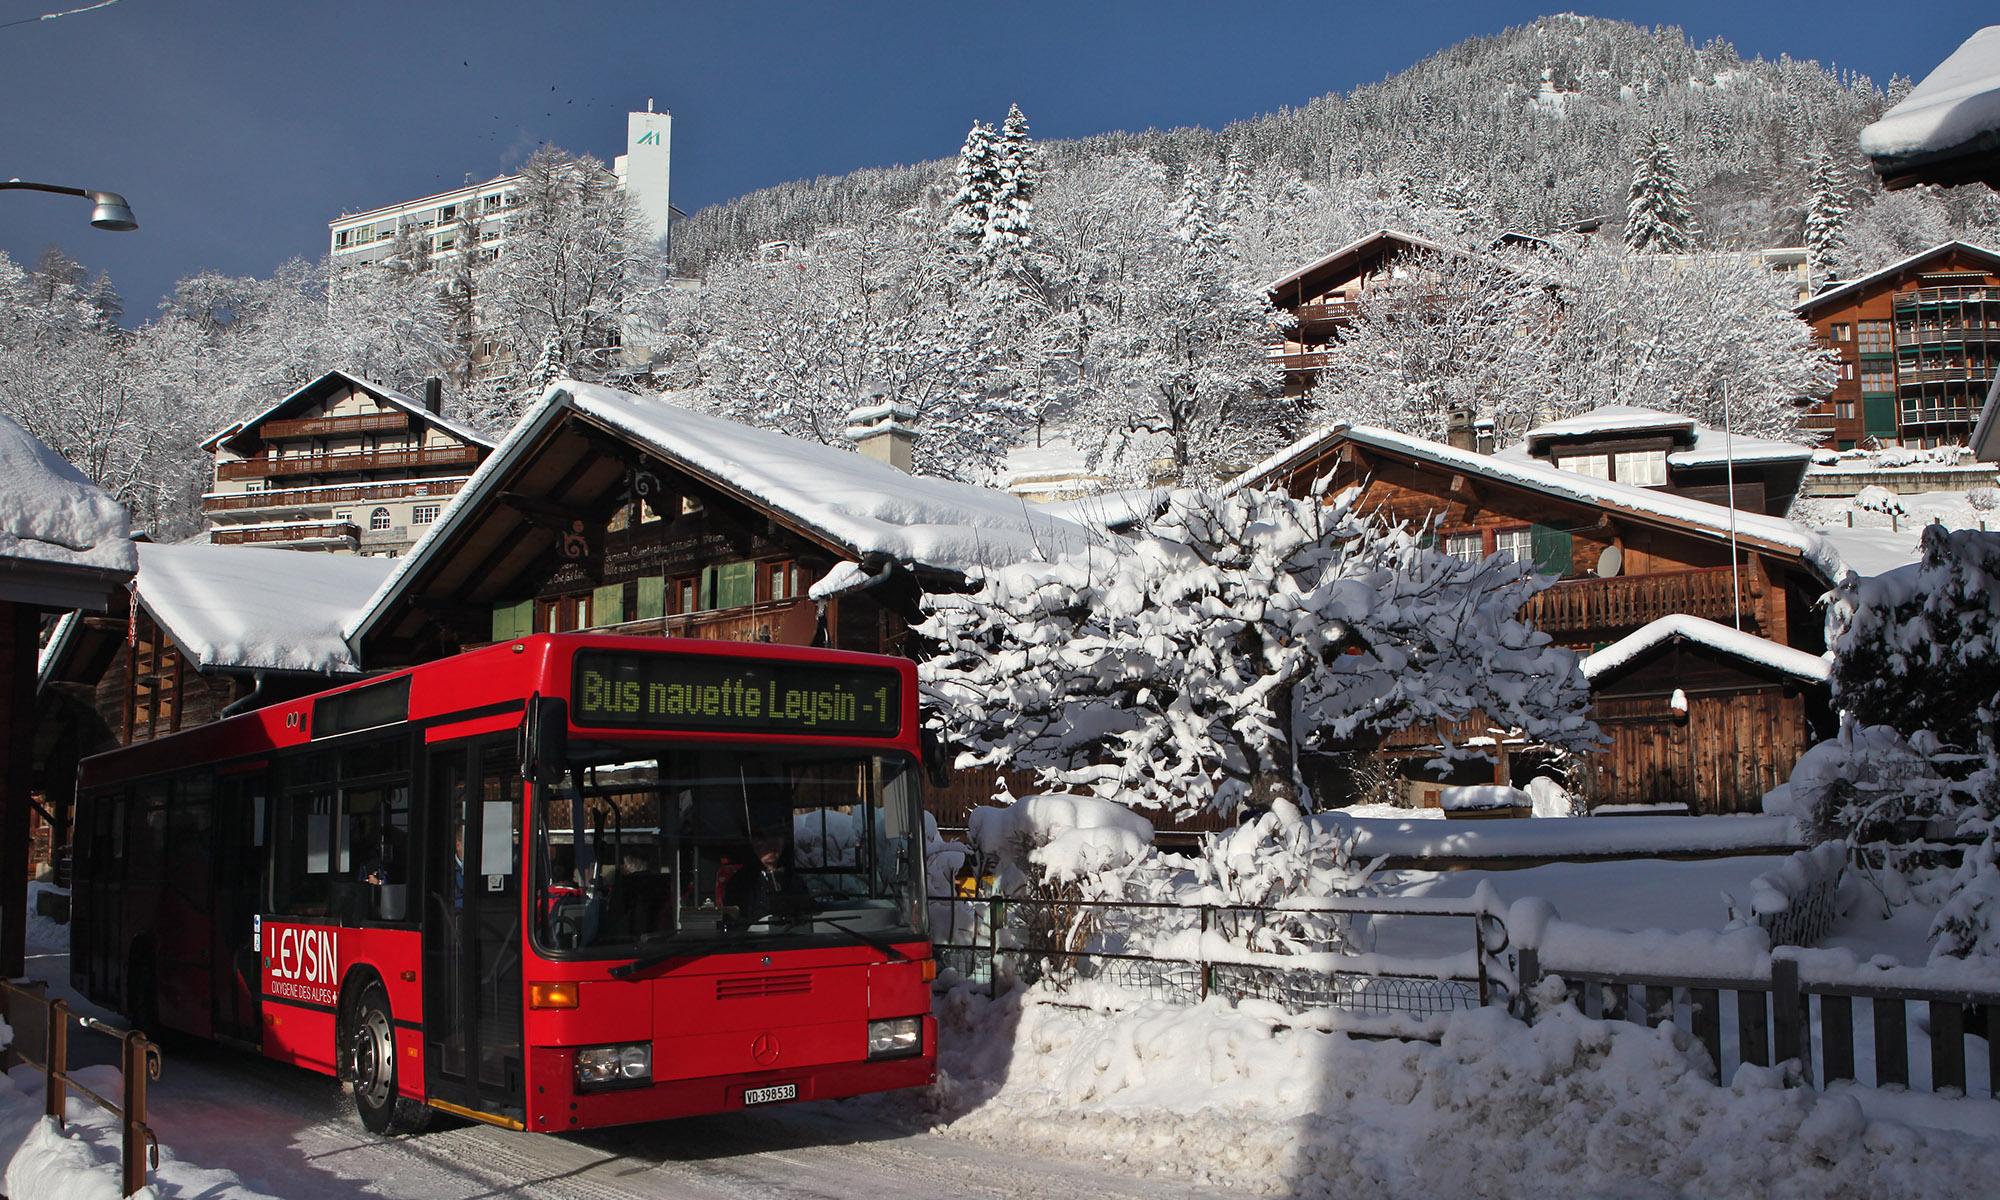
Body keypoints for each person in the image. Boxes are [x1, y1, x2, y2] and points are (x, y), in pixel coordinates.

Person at [723, 835, 805, 923]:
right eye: (762, 846)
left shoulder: (794, 876)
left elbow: (806, 909)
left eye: (774, 847)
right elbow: (734, 920)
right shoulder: (740, 881)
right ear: (753, 846)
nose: (770, 853)